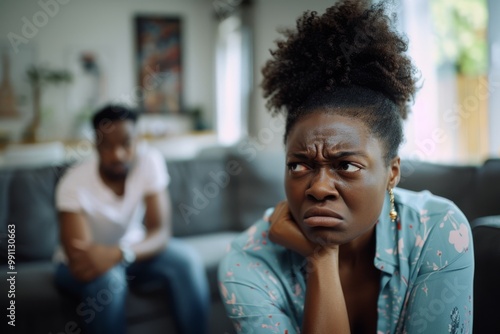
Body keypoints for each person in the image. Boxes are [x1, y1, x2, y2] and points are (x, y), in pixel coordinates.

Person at [218, 1, 474, 333]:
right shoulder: (247, 261)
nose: (319, 188)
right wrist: (322, 256)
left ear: (391, 173)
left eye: (347, 165)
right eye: (299, 165)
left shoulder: (439, 233)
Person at [54, 105, 210, 334]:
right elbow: (82, 265)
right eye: (107, 145)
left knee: (187, 260)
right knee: (109, 280)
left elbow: (160, 233)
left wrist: (119, 253)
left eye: (126, 143)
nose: (118, 154)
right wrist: (115, 258)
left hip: (131, 252)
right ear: (95, 144)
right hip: (73, 265)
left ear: (137, 140)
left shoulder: (149, 161)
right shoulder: (72, 182)